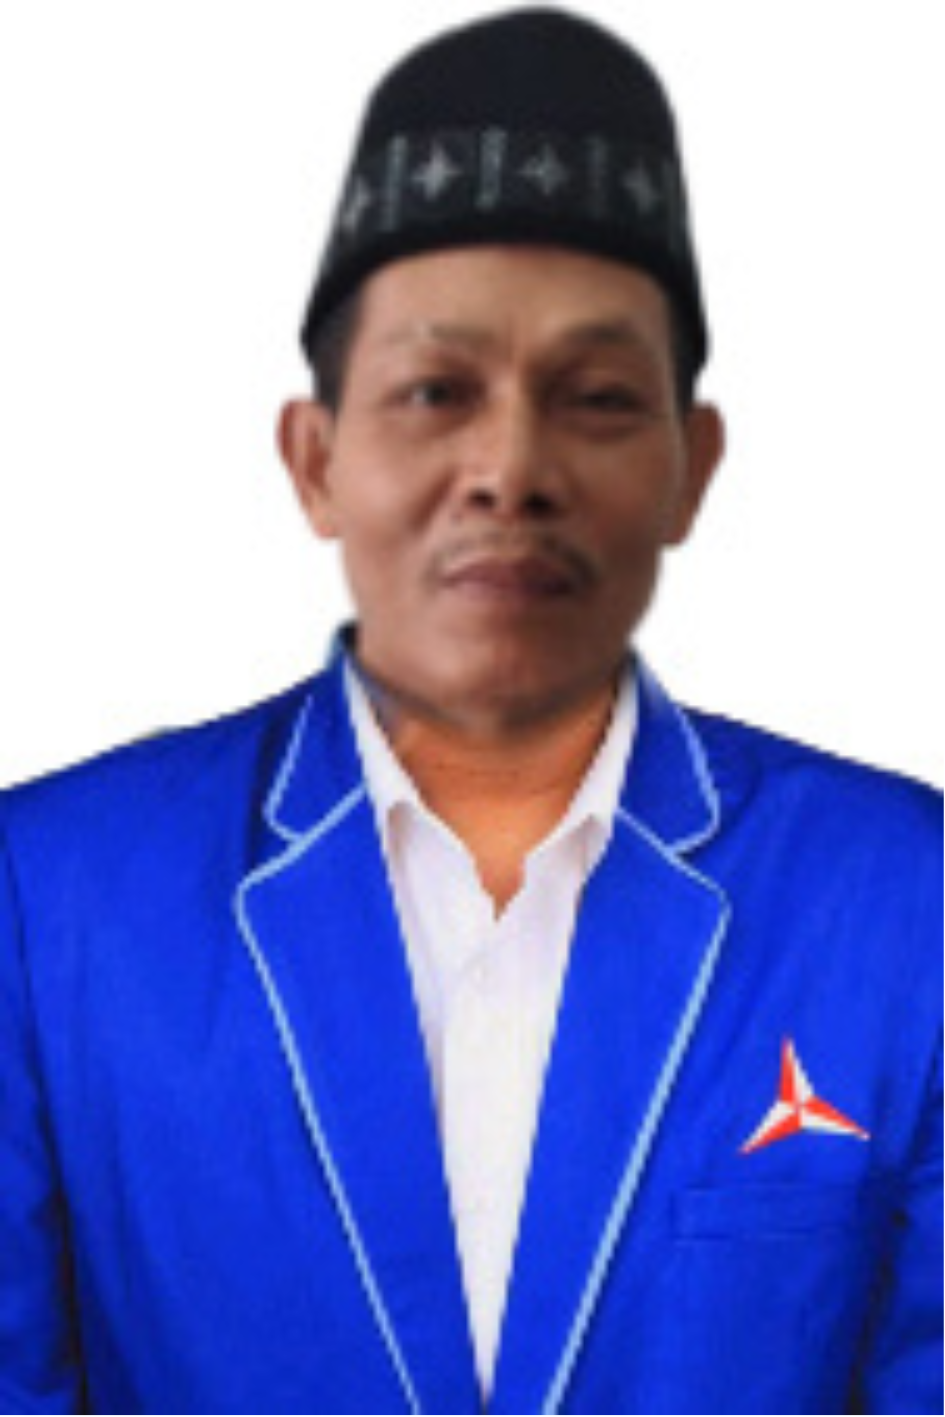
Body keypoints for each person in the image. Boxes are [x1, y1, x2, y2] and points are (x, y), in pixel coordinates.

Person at [0, 7, 940, 1414]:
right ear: (316, 459)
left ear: (691, 467)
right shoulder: (52, 898)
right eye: (436, 390)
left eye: (597, 396)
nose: (510, 469)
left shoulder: (900, 901)